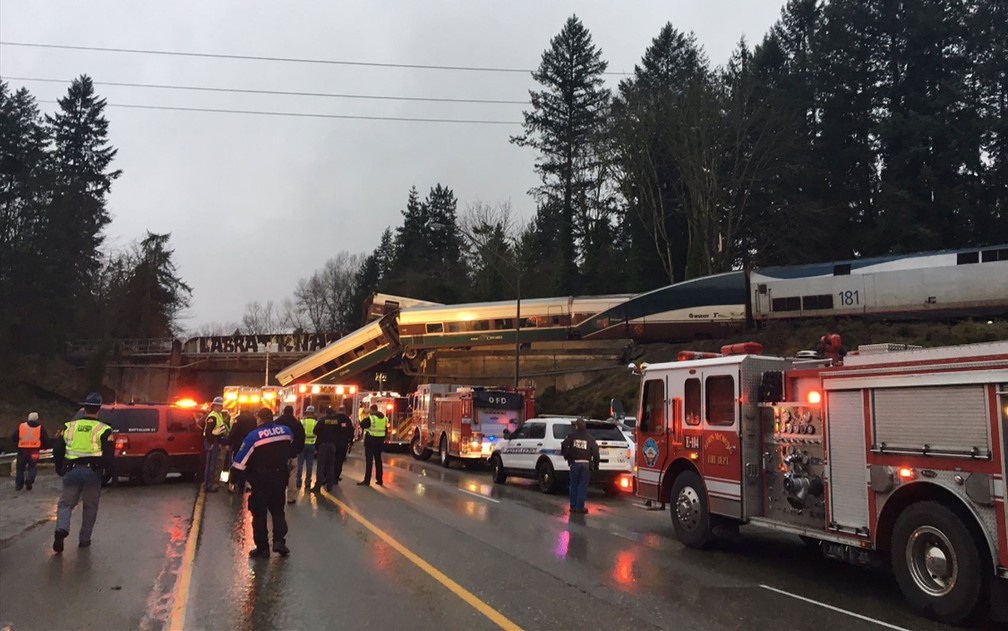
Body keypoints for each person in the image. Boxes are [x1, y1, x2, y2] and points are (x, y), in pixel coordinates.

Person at [52, 392, 114, 552]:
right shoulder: (104, 429)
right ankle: (84, 540)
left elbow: (58, 448)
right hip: (92, 473)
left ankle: (61, 530)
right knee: (90, 506)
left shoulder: (69, 426)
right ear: (99, 409)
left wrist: (59, 467)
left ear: (84, 408)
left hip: (71, 471)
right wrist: (108, 473)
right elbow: (108, 454)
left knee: (65, 504)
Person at [231, 407, 293, 557]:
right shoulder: (286, 431)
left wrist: (234, 479)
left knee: (259, 514)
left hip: (261, 480)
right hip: (280, 478)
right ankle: (279, 541)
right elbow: (291, 447)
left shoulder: (253, 436)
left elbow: (240, 462)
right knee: (278, 511)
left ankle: (263, 548)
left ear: (259, 419)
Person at [560, 417, 599, 514]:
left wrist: (567, 456)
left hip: (575, 463)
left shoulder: (571, 436)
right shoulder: (590, 438)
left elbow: (564, 445)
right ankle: (580, 507)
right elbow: (596, 452)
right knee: (582, 486)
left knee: (573, 485)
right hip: (586, 464)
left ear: (576, 426)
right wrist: (596, 464)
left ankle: (573, 506)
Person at [12, 412, 50, 491]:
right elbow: (45, 439)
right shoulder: (40, 428)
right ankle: (30, 479)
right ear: (37, 419)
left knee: (20, 468)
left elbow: (14, 436)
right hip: (34, 450)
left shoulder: (22, 426)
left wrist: (17, 444)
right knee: (32, 466)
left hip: (22, 450)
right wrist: (45, 447)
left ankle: (19, 485)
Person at [275, 405, 305, 503]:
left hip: (279, 453)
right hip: (292, 453)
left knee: (278, 474)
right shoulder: (297, 423)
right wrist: (298, 450)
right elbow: (301, 438)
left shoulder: (277, 423)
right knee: (292, 474)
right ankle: (291, 498)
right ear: (292, 412)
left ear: (283, 412)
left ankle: (277, 496)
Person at [227, 406, 257, 493]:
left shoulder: (238, 418)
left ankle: (233, 482)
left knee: (237, 464)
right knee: (248, 464)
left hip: (239, 444)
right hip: (250, 445)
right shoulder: (253, 419)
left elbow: (234, 431)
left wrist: (229, 442)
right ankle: (243, 484)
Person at [357, 404, 387, 487]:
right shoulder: (384, 418)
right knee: (378, 460)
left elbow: (362, 424)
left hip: (371, 441)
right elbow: (385, 430)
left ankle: (367, 480)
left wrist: (367, 415)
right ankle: (379, 480)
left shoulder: (371, 418)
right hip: (380, 441)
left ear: (372, 410)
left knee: (369, 461)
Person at [311, 407, 339, 492]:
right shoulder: (336, 421)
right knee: (330, 466)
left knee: (321, 466)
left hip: (323, 445)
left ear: (326, 413)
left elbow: (315, 431)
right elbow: (339, 432)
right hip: (332, 445)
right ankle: (329, 486)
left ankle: (318, 485)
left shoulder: (322, 420)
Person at [202, 397, 226, 492]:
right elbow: (209, 432)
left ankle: (210, 484)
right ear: (215, 406)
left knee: (213, 464)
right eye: (219, 406)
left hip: (215, 441)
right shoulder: (213, 416)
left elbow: (218, 429)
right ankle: (208, 485)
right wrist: (212, 443)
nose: (221, 407)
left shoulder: (218, 415)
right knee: (211, 465)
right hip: (212, 442)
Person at [296, 405, 318, 490]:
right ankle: (308, 482)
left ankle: (298, 481)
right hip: (312, 445)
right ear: (313, 413)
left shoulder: (302, 422)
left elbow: (298, 435)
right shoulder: (316, 423)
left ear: (306, 413)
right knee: (309, 465)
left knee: (300, 464)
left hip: (302, 446)